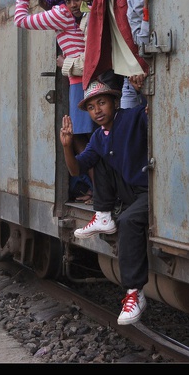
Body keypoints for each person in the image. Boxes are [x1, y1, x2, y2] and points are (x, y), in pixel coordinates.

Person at [59, 76, 149, 325]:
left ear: (114, 102)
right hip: (127, 192)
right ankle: (103, 215)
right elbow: (77, 169)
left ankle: (134, 292)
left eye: (102, 103)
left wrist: (145, 91)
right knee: (98, 156)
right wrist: (67, 146)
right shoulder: (99, 136)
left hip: (147, 191)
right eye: (91, 107)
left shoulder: (131, 118)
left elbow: (153, 112)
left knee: (130, 221)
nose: (97, 110)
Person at [15, 0, 95, 200]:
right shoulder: (77, 10)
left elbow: (20, 20)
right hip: (83, 77)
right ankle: (96, 187)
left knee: (81, 138)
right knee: (89, 137)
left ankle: (98, 189)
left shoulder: (60, 12)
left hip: (79, 80)